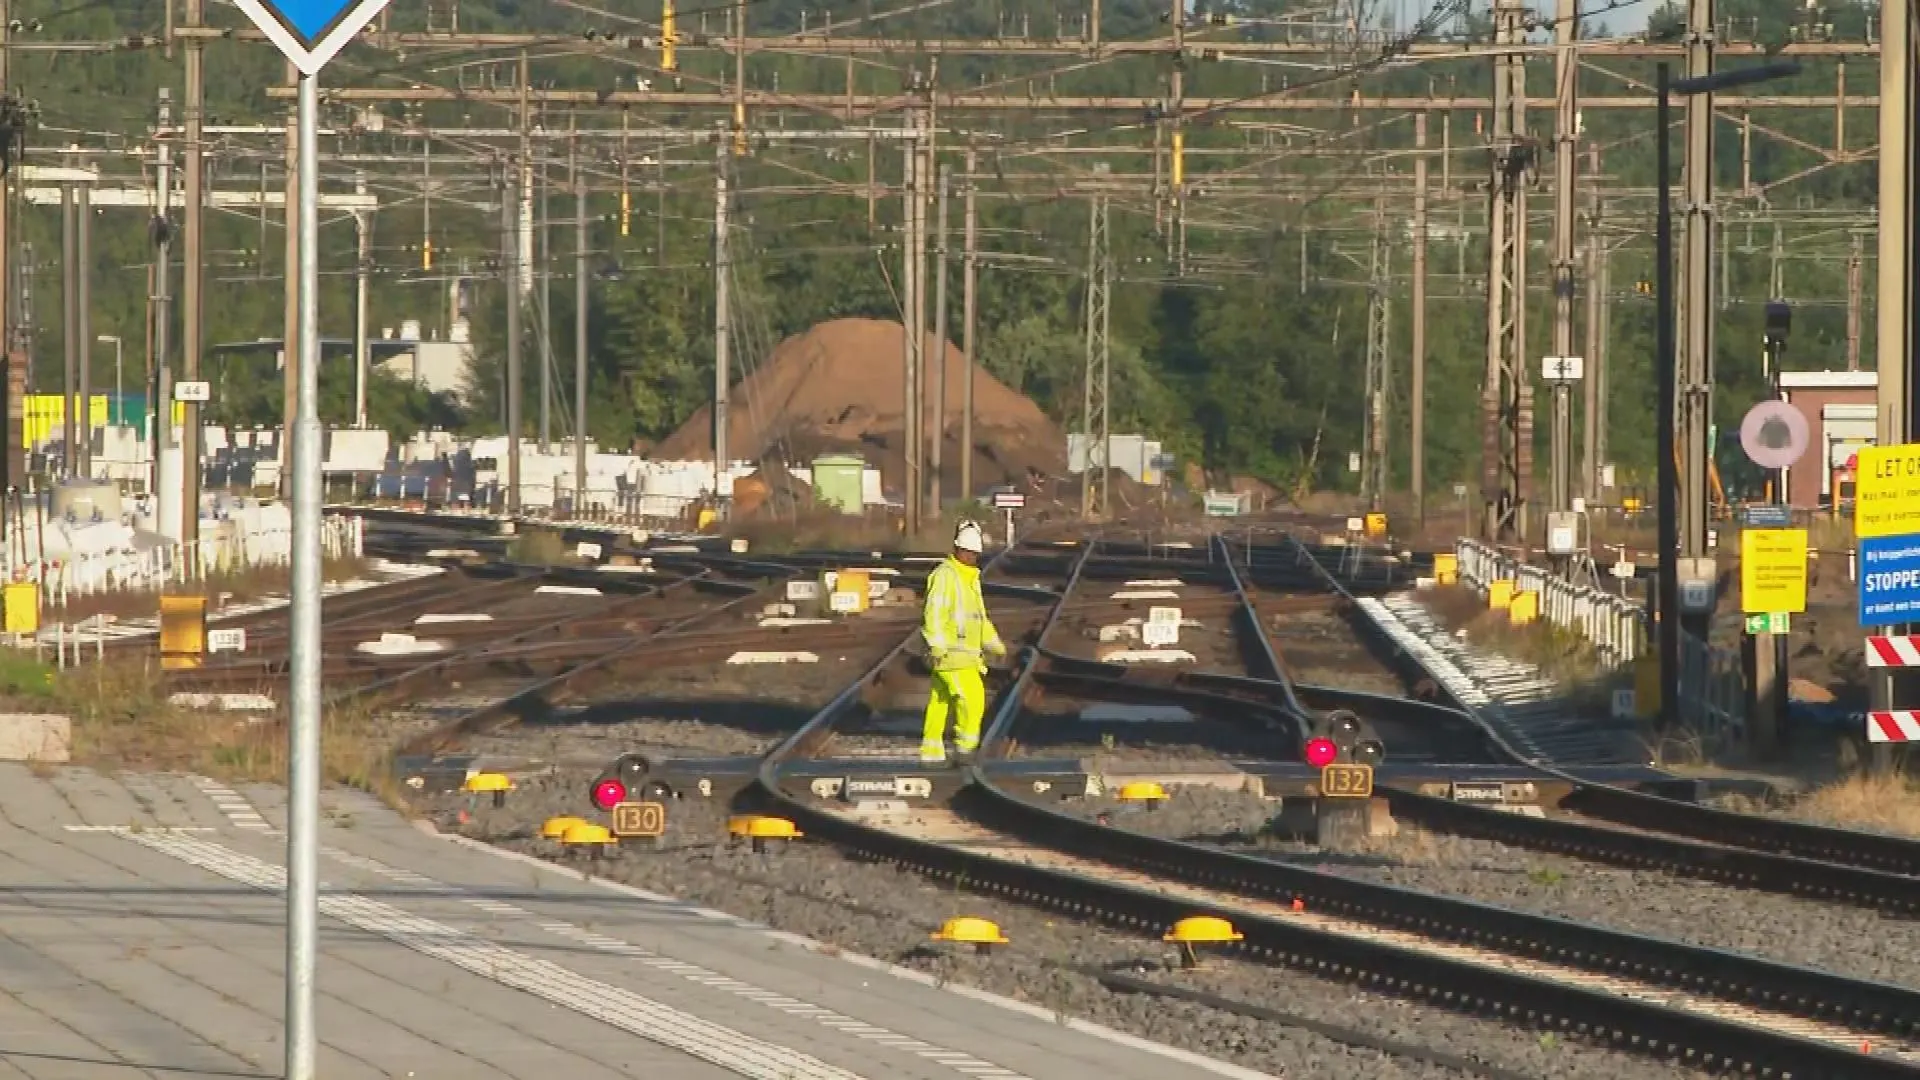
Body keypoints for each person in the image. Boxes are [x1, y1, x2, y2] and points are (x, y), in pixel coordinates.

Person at [920, 519, 1005, 765]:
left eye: (975, 554)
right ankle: (965, 752)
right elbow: (933, 613)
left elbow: (979, 619)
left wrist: (995, 645)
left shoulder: (969, 579)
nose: (971, 557)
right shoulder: (946, 575)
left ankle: (931, 755)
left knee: (940, 702)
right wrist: (936, 646)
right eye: (968, 553)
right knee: (973, 699)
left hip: (959, 655)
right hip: (952, 655)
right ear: (958, 550)